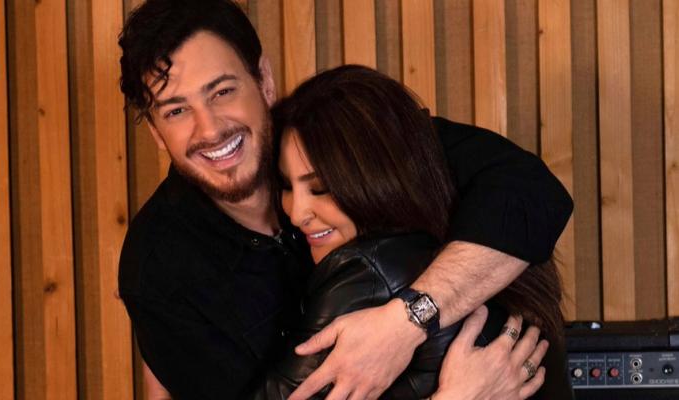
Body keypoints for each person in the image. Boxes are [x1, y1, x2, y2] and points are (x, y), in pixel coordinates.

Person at [117, 0, 573, 398]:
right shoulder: (159, 271)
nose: (211, 128)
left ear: (264, 81)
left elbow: (533, 194)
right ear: (156, 131)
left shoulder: (333, 138)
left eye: (222, 91)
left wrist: (406, 323)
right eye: (177, 110)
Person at [242, 65, 572, 399]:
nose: (297, 213)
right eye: (286, 186)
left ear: (376, 180)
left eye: (320, 188)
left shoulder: (364, 274)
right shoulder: (489, 243)